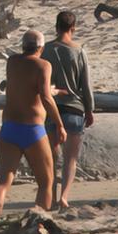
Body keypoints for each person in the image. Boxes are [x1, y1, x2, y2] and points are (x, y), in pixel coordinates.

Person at [0, 30, 64, 219]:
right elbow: (45, 97)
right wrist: (59, 123)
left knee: (4, 181)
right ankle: (40, 219)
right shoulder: (44, 65)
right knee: (46, 182)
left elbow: (25, 86)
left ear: (23, 45)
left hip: (9, 128)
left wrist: (48, 91)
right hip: (32, 129)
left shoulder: (12, 62)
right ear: (41, 47)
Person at [41, 11, 95, 209]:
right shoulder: (79, 51)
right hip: (74, 108)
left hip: (51, 109)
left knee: (51, 159)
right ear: (73, 28)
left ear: (56, 26)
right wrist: (90, 109)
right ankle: (64, 196)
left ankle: (51, 197)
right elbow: (86, 85)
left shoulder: (46, 50)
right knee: (70, 159)